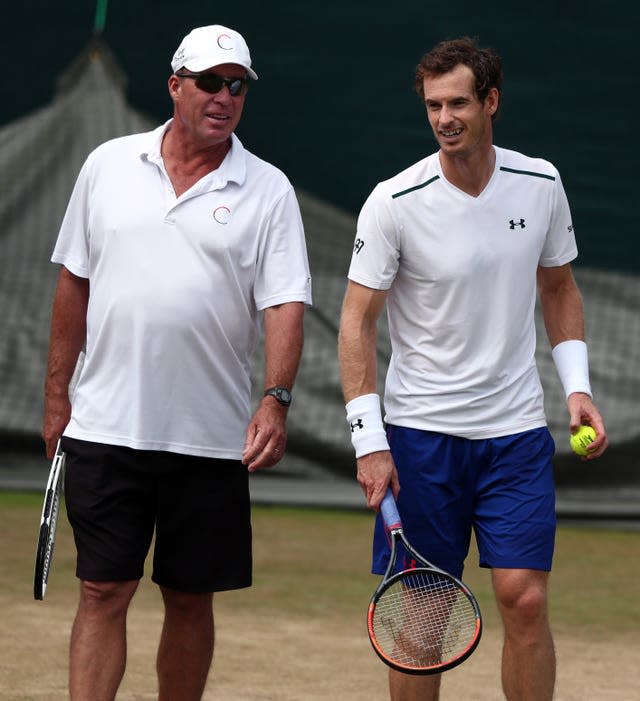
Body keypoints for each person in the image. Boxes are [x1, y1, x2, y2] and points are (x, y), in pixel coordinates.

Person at [42, 24, 311, 701]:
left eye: (237, 85)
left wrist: (275, 397)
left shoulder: (270, 190)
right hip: (106, 424)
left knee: (191, 599)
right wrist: (55, 396)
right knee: (103, 587)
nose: (224, 96)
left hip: (210, 435)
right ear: (175, 85)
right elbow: (74, 281)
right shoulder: (106, 164)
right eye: (210, 82)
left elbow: (284, 305)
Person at [338, 37, 607, 701]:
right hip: (421, 437)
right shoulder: (394, 200)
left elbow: (559, 288)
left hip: (514, 435)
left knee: (526, 601)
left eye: (458, 101)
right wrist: (370, 442)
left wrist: (577, 388)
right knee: (425, 616)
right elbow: (356, 324)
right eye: (433, 104)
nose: (444, 117)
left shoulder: (541, 183)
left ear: (491, 102)